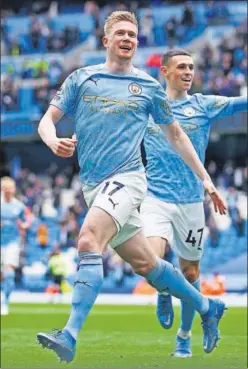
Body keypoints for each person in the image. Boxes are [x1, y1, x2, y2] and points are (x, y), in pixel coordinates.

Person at [36, 12, 227, 363]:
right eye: (121, 33)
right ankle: (206, 306)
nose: (128, 38)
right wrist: (52, 141)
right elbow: (47, 121)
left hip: (128, 180)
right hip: (92, 185)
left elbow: (177, 136)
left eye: (133, 35)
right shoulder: (82, 78)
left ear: (136, 44)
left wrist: (207, 180)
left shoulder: (148, 87)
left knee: (88, 239)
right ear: (106, 40)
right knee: (147, 265)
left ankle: (70, 334)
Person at [140, 48, 247, 358]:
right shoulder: (149, 108)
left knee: (189, 273)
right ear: (165, 72)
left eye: (191, 67)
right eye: (182, 67)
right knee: (148, 260)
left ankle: (184, 336)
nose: (189, 72)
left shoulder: (204, 104)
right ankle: (163, 289)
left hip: (190, 204)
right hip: (154, 198)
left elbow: (241, 103)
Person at [1, 177, 30, 315]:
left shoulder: (18, 206)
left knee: (9, 273)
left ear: (13, 190)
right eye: (5, 188)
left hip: (12, 242)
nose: (7, 190)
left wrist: (24, 225)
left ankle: (5, 302)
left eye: (9, 188)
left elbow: (28, 219)